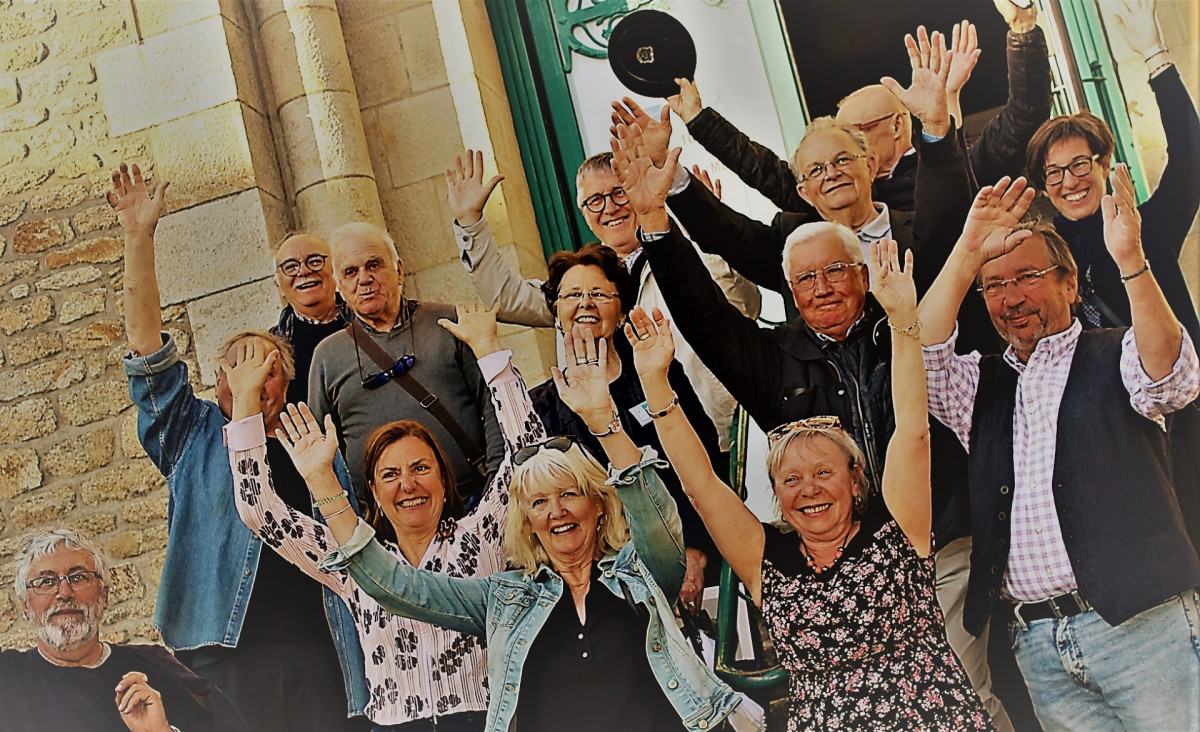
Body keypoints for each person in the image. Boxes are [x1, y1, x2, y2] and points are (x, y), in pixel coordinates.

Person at [615, 122, 1012, 727]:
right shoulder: (775, 364)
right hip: (826, 577)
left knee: (967, 690)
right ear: (788, 289)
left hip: (928, 545)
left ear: (863, 273)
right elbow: (706, 317)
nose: (821, 287)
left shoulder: (901, 329)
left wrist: (937, 132)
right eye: (804, 278)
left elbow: (913, 429)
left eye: (834, 272)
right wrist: (657, 226)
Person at [271, 322, 741, 732]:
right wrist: (322, 483)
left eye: (569, 494)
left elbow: (655, 514)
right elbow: (393, 586)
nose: (555, 511)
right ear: (528, 521)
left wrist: (603, 423)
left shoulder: (643, 574)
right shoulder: (504, 599)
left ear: (599, 504)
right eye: (539, 502)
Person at [918, 169, 1200, 729]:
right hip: (1040, 644)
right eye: (993, 285)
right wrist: (969, 250)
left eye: (1028, 276)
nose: (1010, 297)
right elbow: (920, 354)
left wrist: (1132, 263)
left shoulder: (1117, 351)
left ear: (1070, 284)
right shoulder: (980, 384)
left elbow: (1173, 377)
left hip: (1143, 631)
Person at [111, 162, 369, 731]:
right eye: (236, 365)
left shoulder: (316, 438)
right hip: (221, 652)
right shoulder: (193, 433)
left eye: (266, 365)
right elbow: (145, 348)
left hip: (324, 648)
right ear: (217, 383)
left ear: (288, 379)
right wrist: (138, 238)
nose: (251, 375)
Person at [225, 303, 539, 731]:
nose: (407, 484)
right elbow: (257, 510)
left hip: (481, 719)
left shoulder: (482, 534)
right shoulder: (354, 560)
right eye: (389, 474)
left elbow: (530, 459)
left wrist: (489, 351)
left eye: (421, 468)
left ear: (445, 481)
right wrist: (245, 402)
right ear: (372, 491)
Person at [619, 28, 989, 346]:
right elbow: (726, 231)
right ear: (803, 191)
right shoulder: (791, 243)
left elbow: (948, 205)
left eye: (842, 160)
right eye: (816, 169)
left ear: (870, 165)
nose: (830, 173)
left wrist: (937, 124)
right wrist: (671, 167)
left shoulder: (918, 230)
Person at [448, 149, 759, 455]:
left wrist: (709, 238)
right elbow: (506, 296)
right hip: (611, 452)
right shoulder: (575, 288)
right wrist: (470, 222)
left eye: (620, 193)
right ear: (583, 212)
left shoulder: (689, 253)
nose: (610, 208)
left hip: (718, 439)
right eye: (595, 200)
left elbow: (745, 306)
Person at [664, 3, 1050, 212]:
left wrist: (1023, 32)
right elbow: (765, 171)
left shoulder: (960, 166)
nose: (840, 151)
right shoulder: (837, 190)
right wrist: (698, 119)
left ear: (898, 127)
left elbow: (1024, 117)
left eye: (856, 132)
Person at [526, 243, 722, 610]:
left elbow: (704, 458)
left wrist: (694, 549)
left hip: (679, 550)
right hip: (596, 578)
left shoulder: (657, 372)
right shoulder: (539, 406)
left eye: (599, 293)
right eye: (572, 295)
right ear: (556, 313)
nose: (585, 303)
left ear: (620, 313)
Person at [309, 222, 505, 505]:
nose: (364, 279)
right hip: (387, 521)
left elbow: (494, 399)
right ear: (339, 286)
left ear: (399, 270)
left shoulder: (449, 322)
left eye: (374, 265)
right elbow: (323, 448)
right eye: (351, 272)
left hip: (473, 498)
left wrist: (498, 479)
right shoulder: (327, 356)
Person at [1, 528, 250, 732]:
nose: (64, 593)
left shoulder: (155, 666)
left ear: (105, 595)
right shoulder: (8, 678)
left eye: (78, 578)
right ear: (25, 605)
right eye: (46, 582)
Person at [269, 232, 350, 404]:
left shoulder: (368, 322)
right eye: (290, 266)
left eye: (315, 261)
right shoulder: (271, 350)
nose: (304, 271)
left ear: (335, 269)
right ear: (278, 284)